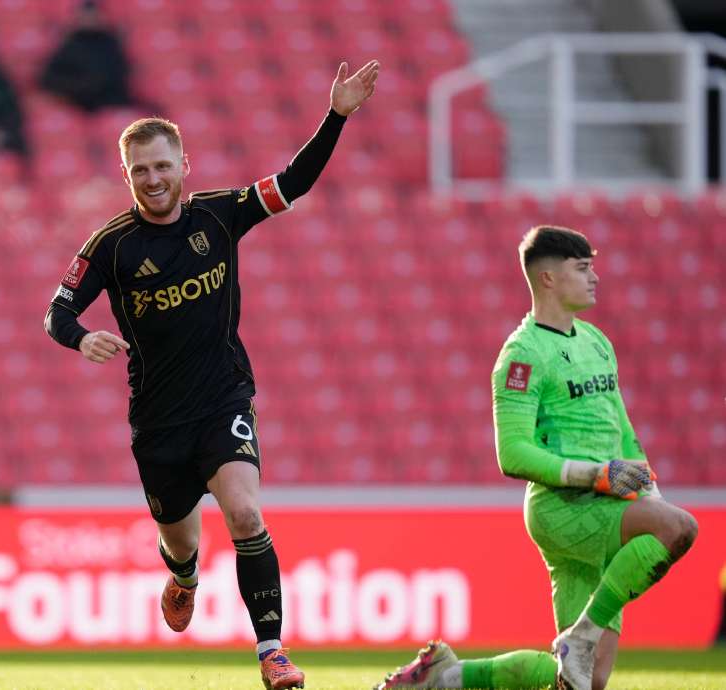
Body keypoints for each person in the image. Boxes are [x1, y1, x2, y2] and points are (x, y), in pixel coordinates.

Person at [43, 60, 379, 690]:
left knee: (247, 515)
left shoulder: (220, 215)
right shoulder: (111, 245)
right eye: (140, 170)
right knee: (178, 539)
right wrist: (82, 335)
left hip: (224, 397)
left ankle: (273, 653)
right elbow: (56, 311)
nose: (153, 179)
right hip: (157, 421)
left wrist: (336, 115)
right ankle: (185, 575)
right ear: (127, 176)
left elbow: (293, 183)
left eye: (162, 166)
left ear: (183, 166)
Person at [374, 226, 699, 690]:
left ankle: (447, 676)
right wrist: (594, 474)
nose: (595, 278)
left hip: (606, 502)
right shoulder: (522, 355)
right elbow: (512, 453)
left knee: (587, 683)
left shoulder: (597, 342)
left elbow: (620, 425)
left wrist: (648, 487)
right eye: (582, 268)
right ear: (547, 279)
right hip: (563, 508)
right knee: (679, 528)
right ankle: (582, 637)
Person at [39, 0, 136, 113]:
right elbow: (50, 79)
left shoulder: (109, 43)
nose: (88, 19)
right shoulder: (70, 44)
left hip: (106, 102)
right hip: (75, 103)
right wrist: (78, 87)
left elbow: (118, 75)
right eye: (85, 14)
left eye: (92, 14)